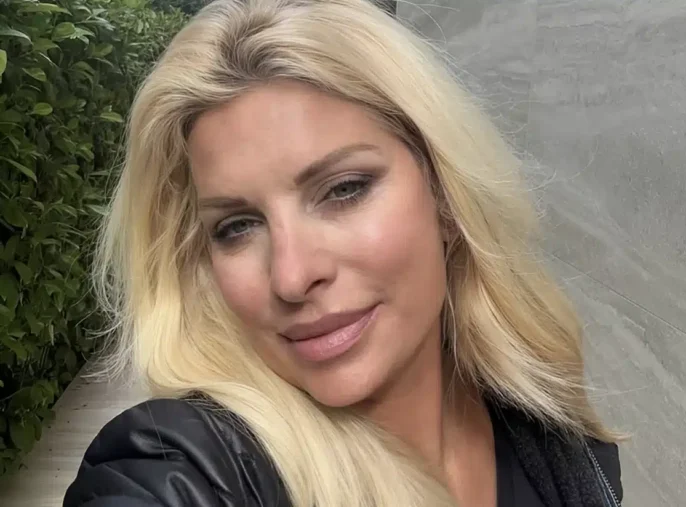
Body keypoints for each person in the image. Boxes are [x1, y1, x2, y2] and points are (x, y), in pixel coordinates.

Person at [63, 0, 623, 506]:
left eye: (344, 189)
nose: (292, 276)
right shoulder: (185, 467)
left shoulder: (551, 430)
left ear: (447, 198)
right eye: (237, 226)